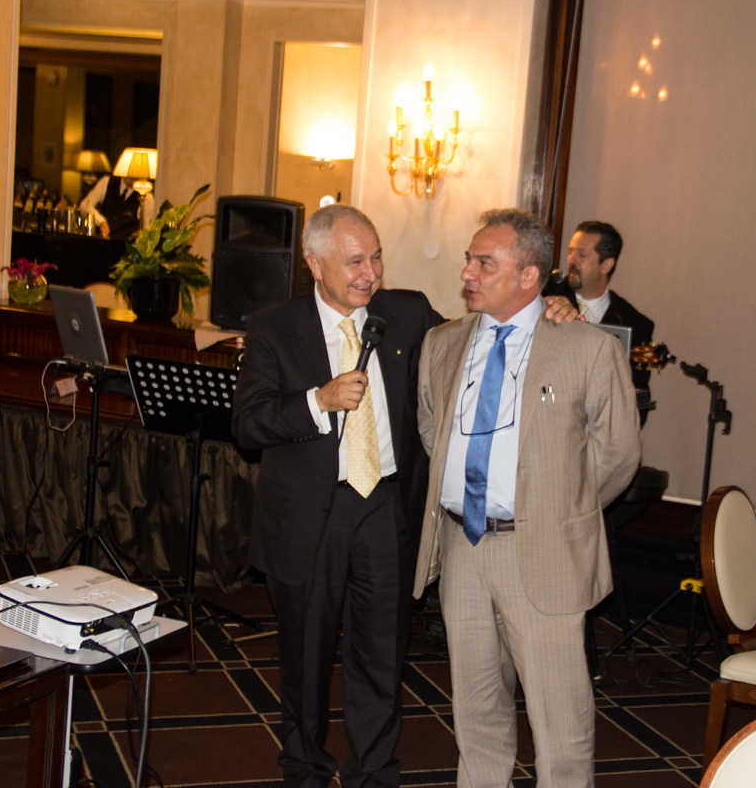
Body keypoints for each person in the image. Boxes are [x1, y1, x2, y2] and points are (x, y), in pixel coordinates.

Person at [230, 204, 578, 788]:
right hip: (307, 520)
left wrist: (549, 306)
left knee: (380, 656)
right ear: (315, 263)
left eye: (376, 258)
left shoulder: (408, 313)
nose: (370, 273)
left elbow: (484, 333)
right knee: (305, 661)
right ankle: (305, 769)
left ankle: (373, 773)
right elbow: (247, 425)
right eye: (354, 262)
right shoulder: (274, 327)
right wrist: (317, 401)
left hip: (386, 510)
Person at [413, 208, 641, 787]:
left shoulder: (587, 348)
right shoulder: (441, 343)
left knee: (559, 721)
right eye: (469, 259)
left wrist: (557, 510)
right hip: (462, 544)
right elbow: (432, 430)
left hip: (542, 552)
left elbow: (617, 454)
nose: (467, 272)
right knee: (476, 710)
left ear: (529, 276)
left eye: (484, 262)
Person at [563, 221, 656, 424]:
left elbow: (638, 401)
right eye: (570, 252)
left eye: (582, 255)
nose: (571, 261)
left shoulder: (636, 324)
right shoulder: (547, 299)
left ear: (606, 265)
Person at [78, 172, 153, 239]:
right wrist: (101, 221)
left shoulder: (146, 198)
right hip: (101, 242)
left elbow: (146, 230)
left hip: (124, 246)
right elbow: (84, 205)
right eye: (130, 177)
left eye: (136, 178)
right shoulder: (106, 182)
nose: (132, 180)